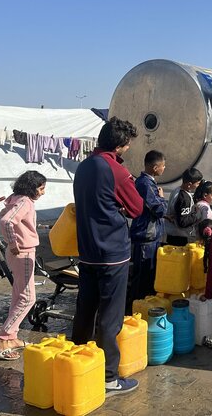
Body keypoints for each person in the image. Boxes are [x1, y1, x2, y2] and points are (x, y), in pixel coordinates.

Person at [72, 117, 144, 394]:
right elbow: (137, 208)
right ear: (121, 145)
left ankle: (78, 361)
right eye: (128, 145)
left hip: (87, 250)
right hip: (112, 253)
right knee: (110, 316)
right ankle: (109, 377)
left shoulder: (84, 166)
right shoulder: (115, 170)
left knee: (85, 309)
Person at [0, 170, 47, 360]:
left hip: (20, 252)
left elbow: (4, 216)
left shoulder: (15, 199)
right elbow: (6, 221)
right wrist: (14, 242)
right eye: (41, 188)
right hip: (22, 252)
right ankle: (3, 337)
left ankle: (12, 337)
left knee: (19, 295)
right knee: (27, 299)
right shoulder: (24, 201)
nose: (43, 192)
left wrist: (29, 230)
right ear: (32, 188)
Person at [128, 150, 169, 309]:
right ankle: (135, 310)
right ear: (154, 167)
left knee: (148, 275)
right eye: (163, 166)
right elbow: (159, 209)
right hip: (146, 236)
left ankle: (142, 307)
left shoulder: (147, 183)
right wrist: (162, 198)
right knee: (142, 278)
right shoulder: (145, 184)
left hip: (151, 236)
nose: (164, 169)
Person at [164, 168, 203, 246]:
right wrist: (197, 214)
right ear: (189, 184)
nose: (198, 185)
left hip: (171, 233)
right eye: (197, 183)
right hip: (180, 237)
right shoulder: (184, 198)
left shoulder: (176, 190)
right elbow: (183, 222)